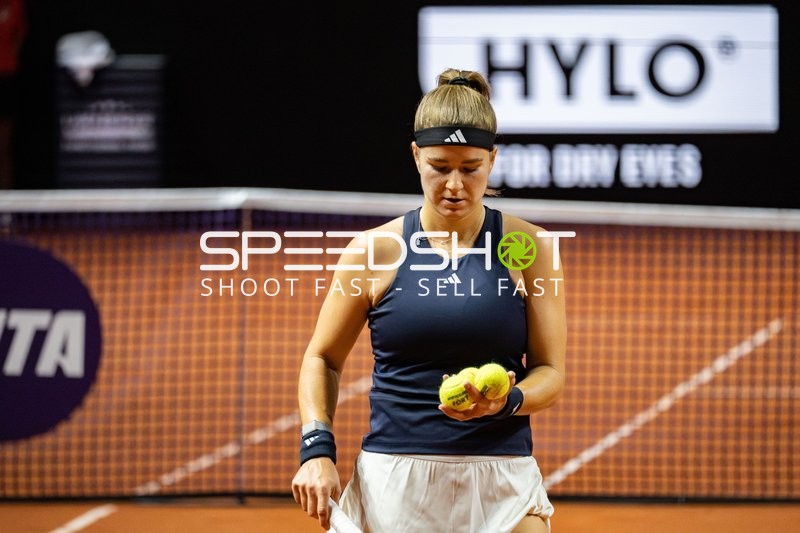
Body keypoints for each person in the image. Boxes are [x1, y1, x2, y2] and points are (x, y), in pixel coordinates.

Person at [291, 68, 567, 533]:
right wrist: (316, 449)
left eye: (470, 168)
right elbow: (322, 357)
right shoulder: (372, 251)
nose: (454, 185)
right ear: (416, 156)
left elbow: (550, 372)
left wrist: (507, 401)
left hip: (501, 479)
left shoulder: (530, 247)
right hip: (394, 482)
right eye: (440, 167)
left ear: (493, 160)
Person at [0, 0, 26, 189]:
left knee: (4, 147)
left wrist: (10, 60)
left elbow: (19, 36)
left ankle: (6, 205)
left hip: (6, 78)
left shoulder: (15, 3)